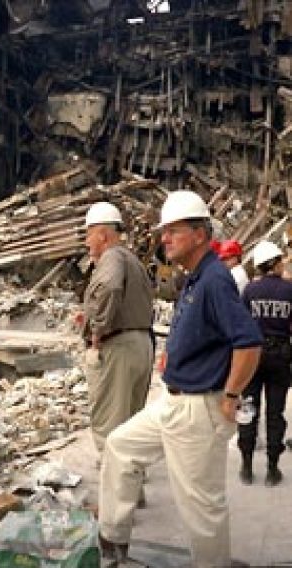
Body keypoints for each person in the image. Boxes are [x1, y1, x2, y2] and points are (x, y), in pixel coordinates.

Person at [98, 191, 262, 567]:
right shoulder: (195, 279)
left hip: (197, 410)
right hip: (172, 402)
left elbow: (249, 343)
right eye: (164, 231)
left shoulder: (215, 280)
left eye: (173, 231)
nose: (164, 238)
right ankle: (113, 544)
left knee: (201, 507)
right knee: (120, 447)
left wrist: (232, 396)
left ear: (200, 234)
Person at [81, 202, 154, 454]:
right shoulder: (131, 259)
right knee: (132, 426)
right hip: (142, 345)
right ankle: (132, 489)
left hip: (118, 349)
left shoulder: (111, 257)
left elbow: (110, 288)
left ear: (102, 234)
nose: (86, 242)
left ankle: (114, 489)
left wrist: (96, 333)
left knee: (110, 427)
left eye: (88, 234)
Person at [239, 241, 292, 486]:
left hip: (253, 354)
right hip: (280, 355)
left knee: (248, 408)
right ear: (274, 262)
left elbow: (240, 325)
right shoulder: (289, 290)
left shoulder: (250, 291)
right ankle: (272, 469)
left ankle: (247, 466)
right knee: (275, 412)